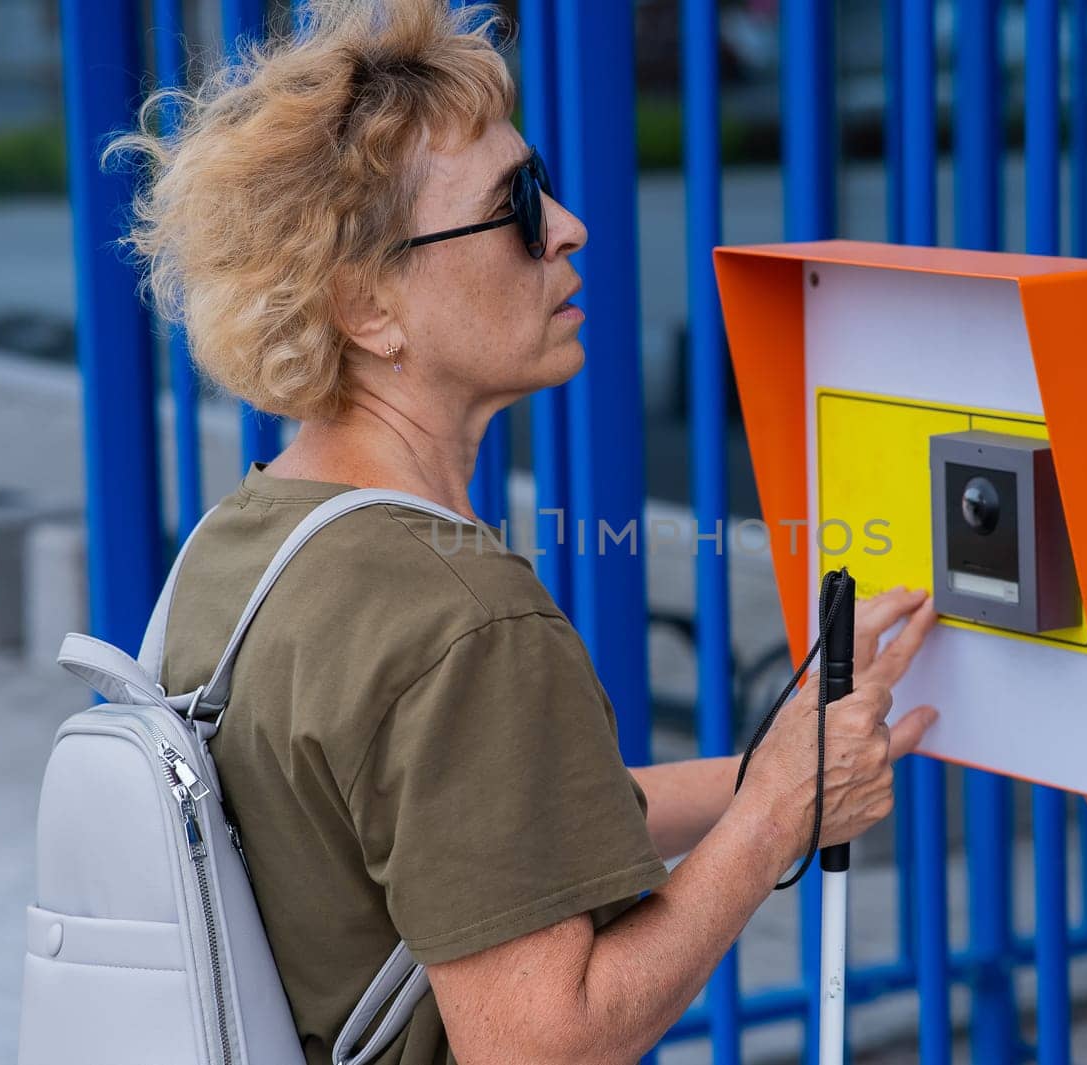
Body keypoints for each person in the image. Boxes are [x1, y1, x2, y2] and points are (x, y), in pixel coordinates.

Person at [109, 2, 940, 1062]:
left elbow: (490, 842)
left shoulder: (246, 542)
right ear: (367, 306)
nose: (569, 227)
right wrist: (774, 819)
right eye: (517, 204)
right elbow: (543, 1041)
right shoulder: (462, 623)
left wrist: (779, 772)